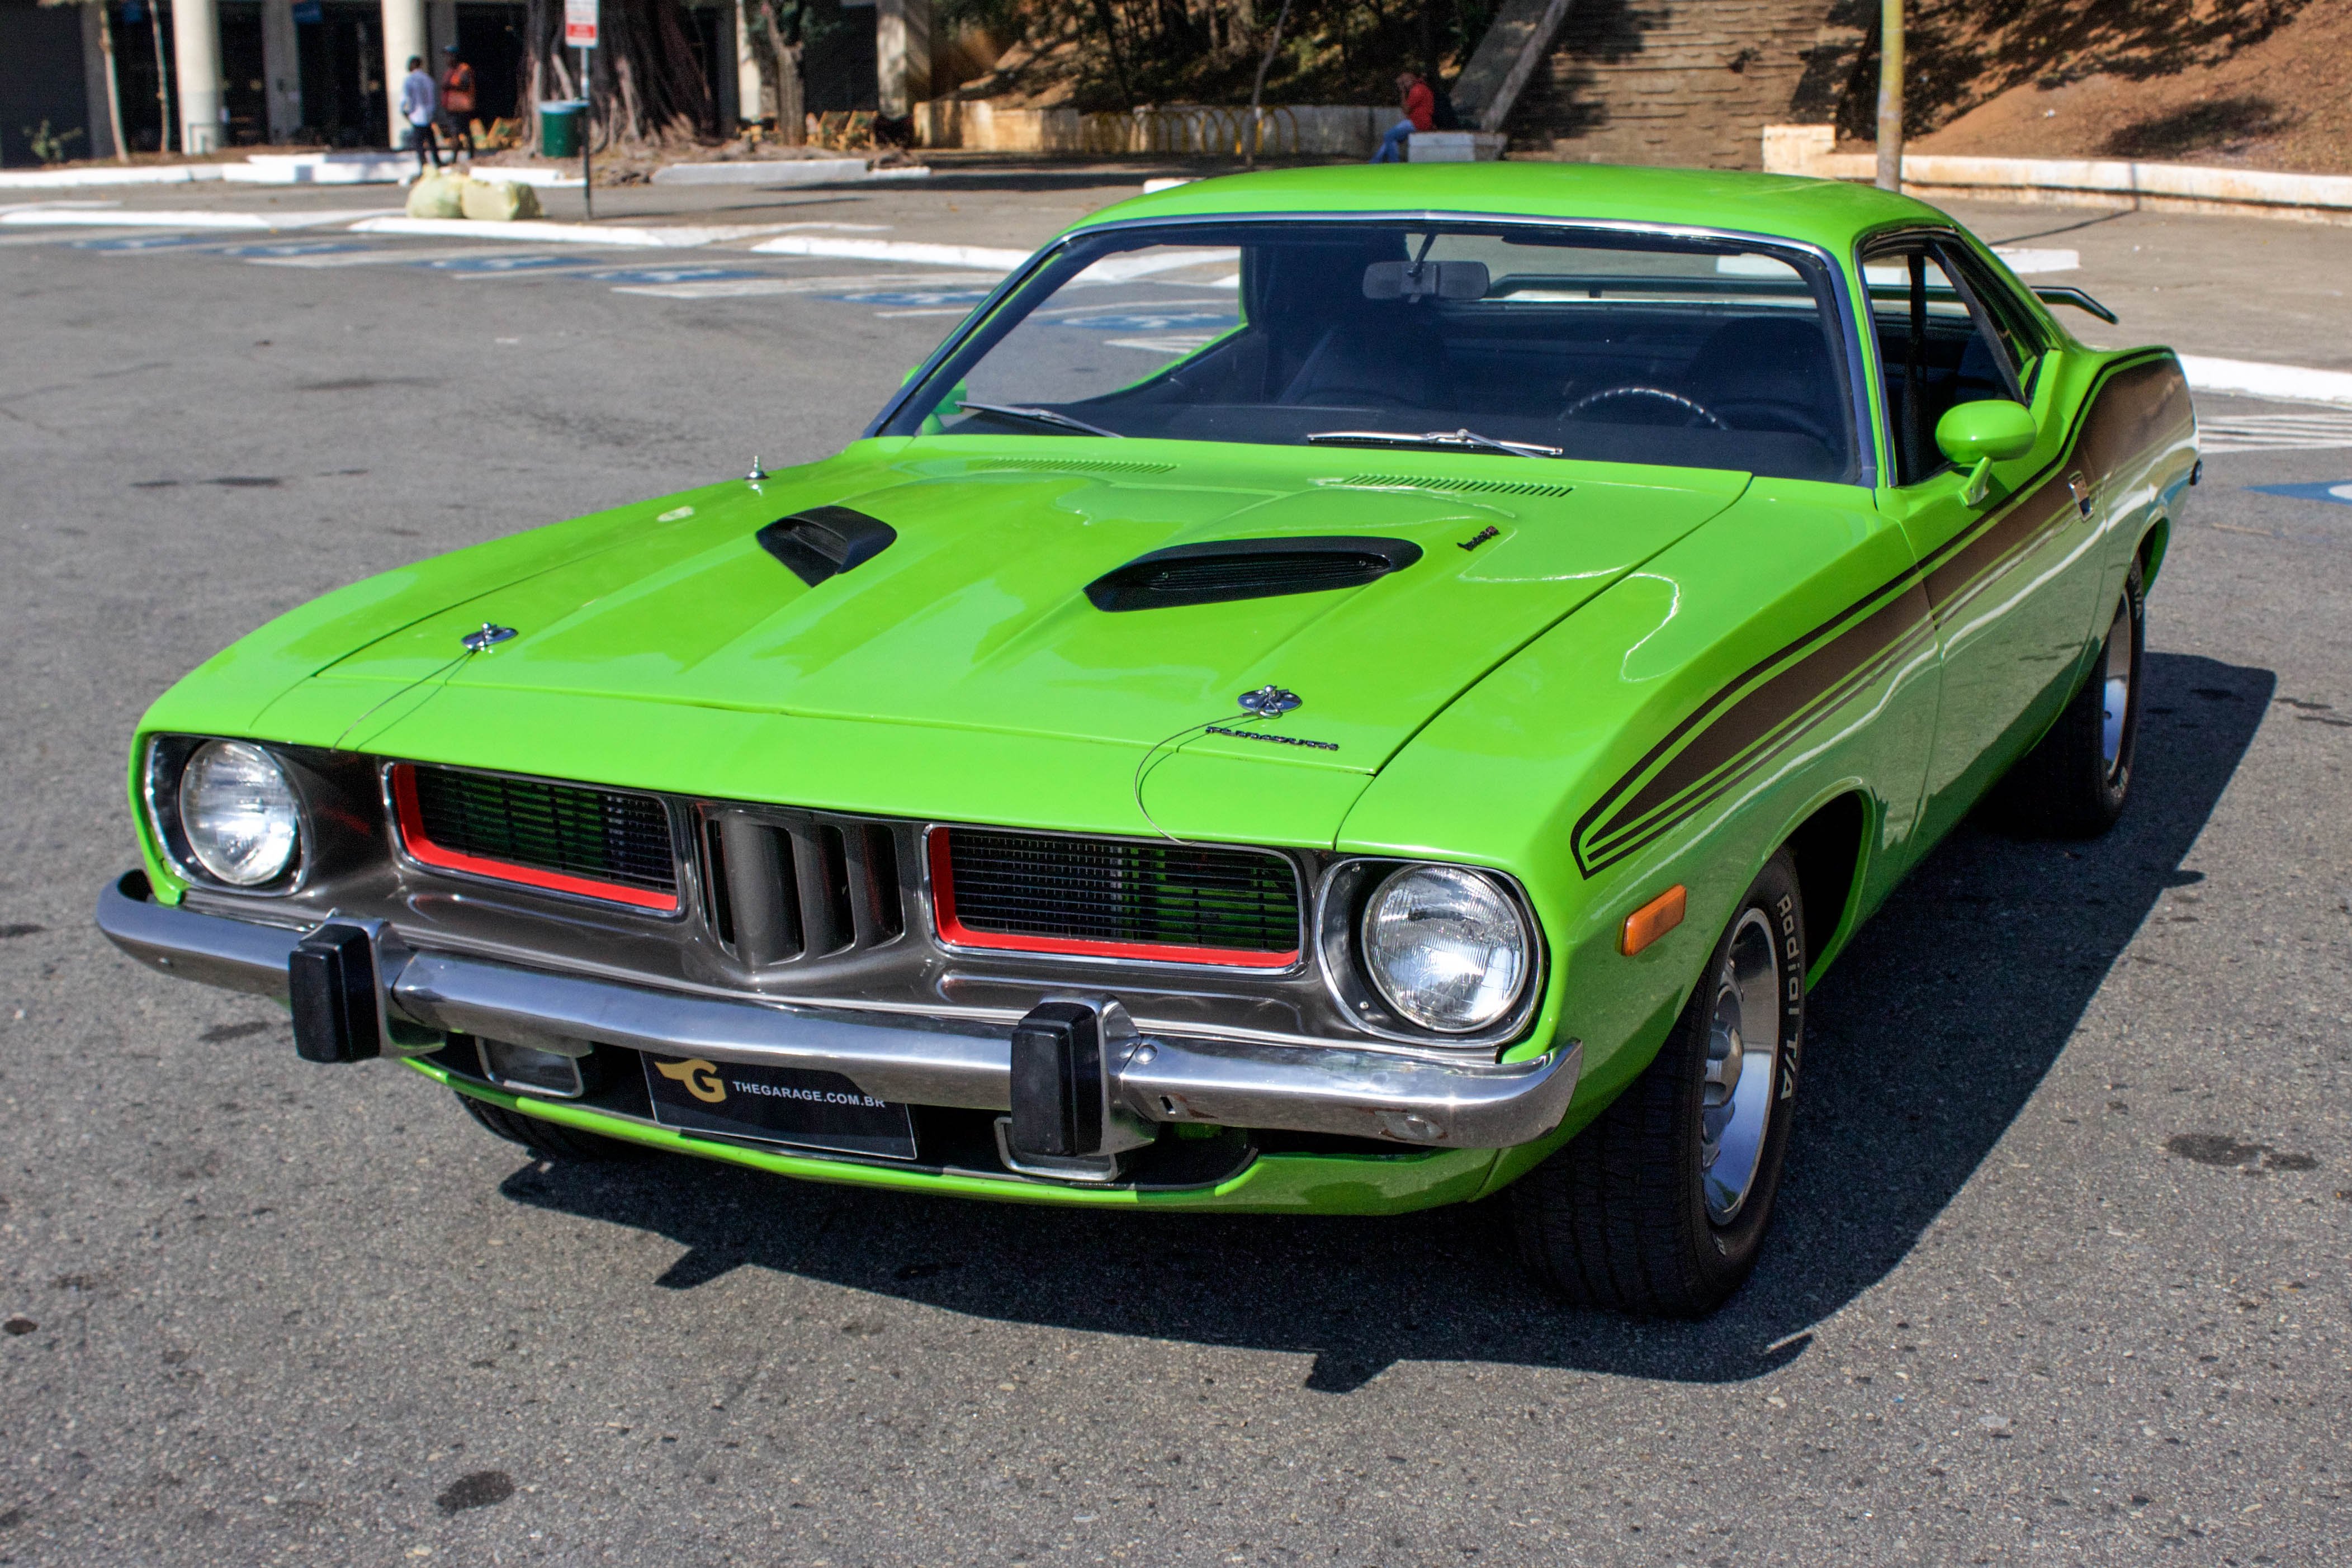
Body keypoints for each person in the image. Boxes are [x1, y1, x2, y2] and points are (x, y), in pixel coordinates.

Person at [1370, 70, 1435, 163]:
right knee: (1390, 138)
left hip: (1418, 123)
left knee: (1389, 136)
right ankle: (1375, 162)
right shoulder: (1421, 88)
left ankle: (1394, 162)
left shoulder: (1418, 90)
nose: (1405, 84)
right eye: (1403, 82)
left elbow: (1406, 109)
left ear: (1413, 79)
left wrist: (1403, 92)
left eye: (1406, 81)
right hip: (1418, 121)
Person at [399, 55, 441, 172]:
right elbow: (433, 98)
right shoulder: (428, 79)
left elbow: (405, 97)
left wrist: (404, 110)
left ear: (413, 65)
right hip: (428, 115)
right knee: (431, 141)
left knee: (419, 143)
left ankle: (423, 165)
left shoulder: (409, 80)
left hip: (416, 115)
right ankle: (437, 162)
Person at [438, 43, 476, 160]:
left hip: (462, 108)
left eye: (449, 56)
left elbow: (465, 85)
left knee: (464, 133)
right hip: (453, 108)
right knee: (455, 133)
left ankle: (468, 156)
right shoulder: (451, 71)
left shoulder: (464, 69)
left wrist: (450, 86)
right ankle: (456, 157)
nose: (447, 59)